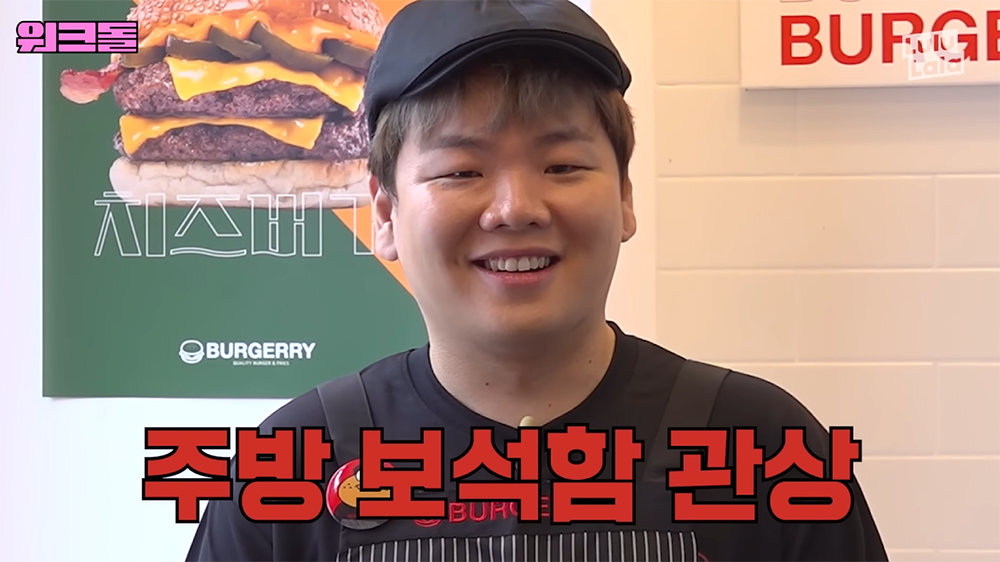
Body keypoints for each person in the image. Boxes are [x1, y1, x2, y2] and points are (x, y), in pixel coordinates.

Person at [185, 0, 890, 560]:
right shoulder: (293, 464)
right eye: (461, 170)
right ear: (386, 214)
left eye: (563, 167)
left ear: (625, 198)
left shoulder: (762, 448)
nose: (516, 208)